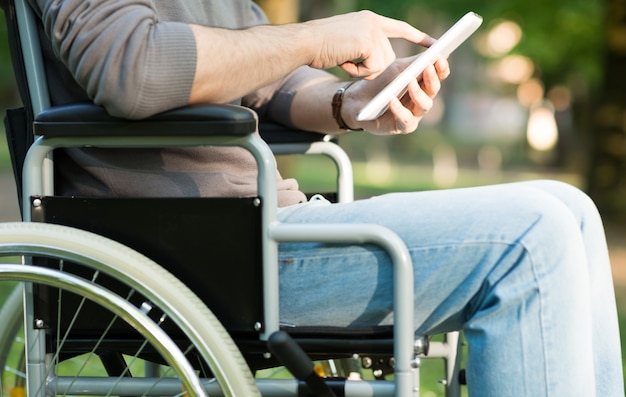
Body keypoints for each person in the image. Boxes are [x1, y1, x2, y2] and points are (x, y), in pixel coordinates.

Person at [27, 0, 624, 395]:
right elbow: (133, 69)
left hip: (258, 227)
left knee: (570, 210)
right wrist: (316, 35)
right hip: (203, 251)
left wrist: (354, 100)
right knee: (532, 235)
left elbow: (269, 78)